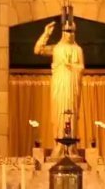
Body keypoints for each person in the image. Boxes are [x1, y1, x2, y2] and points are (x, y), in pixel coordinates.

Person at [33, 10, 85, 141]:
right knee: (58, 113)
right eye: (67, 32)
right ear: (62, 32)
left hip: (72, 87)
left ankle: (71, 141)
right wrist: (46, 33)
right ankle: (58, 141)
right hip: (59, 86)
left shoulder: (77, 49)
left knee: (71, 113)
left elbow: (81, 67)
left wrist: (71, 66)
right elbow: (38, 50)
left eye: (71, 32)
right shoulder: (56, 48)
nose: (69, 35)